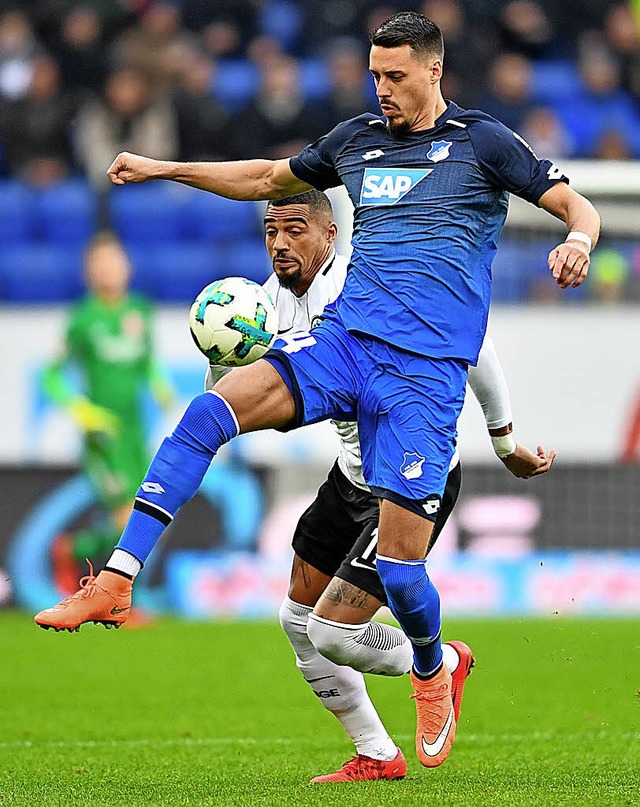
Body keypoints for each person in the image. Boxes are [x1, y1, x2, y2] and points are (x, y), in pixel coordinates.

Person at [36, 11, 599, 770]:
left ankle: (435, 667)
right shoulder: (355, 141)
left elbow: (575, 204)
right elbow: (268, 177)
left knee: (401, 572)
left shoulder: (483, 143)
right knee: (210, 411)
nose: (383, 89)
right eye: (375, 75)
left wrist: (579, 240)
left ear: (434, 71)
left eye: (396, 76)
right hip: (347, 344)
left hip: (423, 378)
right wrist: (167, 170)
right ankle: (116, 577)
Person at [206, 190, 554, 783]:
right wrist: (216, 355)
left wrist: (504, 441)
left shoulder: (372, 280)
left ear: (331, 234)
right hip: (350, 476)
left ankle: (441, 661)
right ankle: (376, 753)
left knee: (331, 633)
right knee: (296, 618)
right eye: (271, 232)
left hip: (412, 474)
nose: (280, 244)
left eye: (295, 231)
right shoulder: (259, 307)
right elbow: (235, 389)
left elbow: (476, 344)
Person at [41, 231, 173, 593]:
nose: (109, 271)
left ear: (127, 267)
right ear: (89, 273)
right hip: (103, 438)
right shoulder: (82, 319)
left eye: (115, 262)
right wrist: (81, 410)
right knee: (127, 518)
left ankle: (74, 551)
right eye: (100, 264)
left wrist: (159, 385)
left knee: (145, 520)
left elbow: (147, 364)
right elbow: (50, 377)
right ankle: (114, 595)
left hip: (135, 432)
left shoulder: (140, 312)